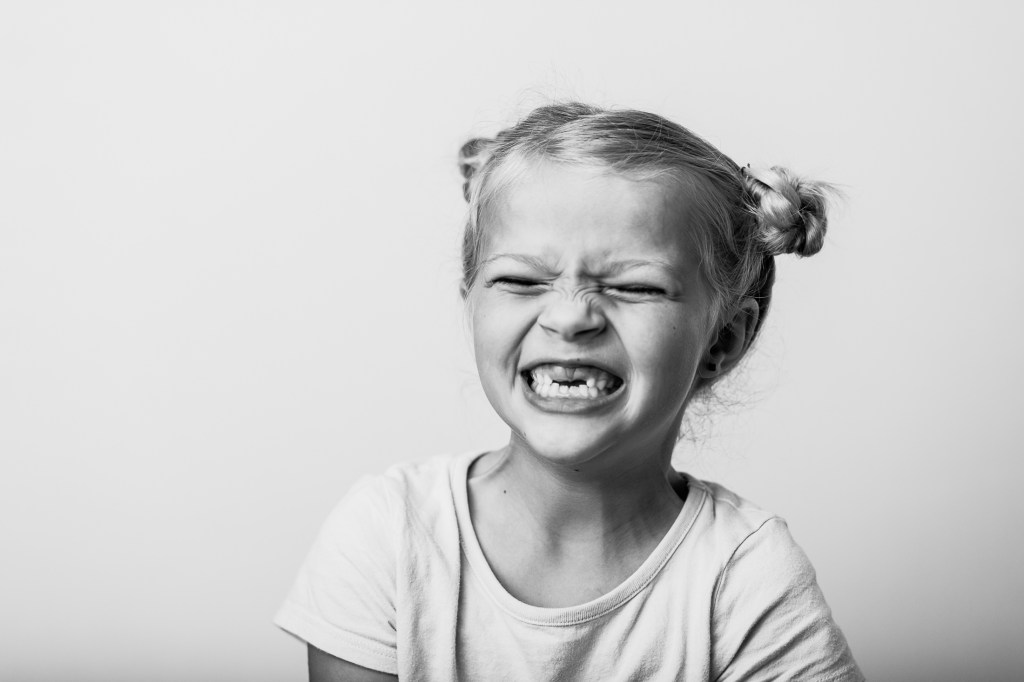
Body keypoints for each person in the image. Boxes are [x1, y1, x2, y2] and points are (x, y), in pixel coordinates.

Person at [275, 102, 864, 681]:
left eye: (635, 287)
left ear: (723, 339)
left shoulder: (747, 578)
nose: (570, 317)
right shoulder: (389, 534)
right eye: (520, 279)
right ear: (472, 306)